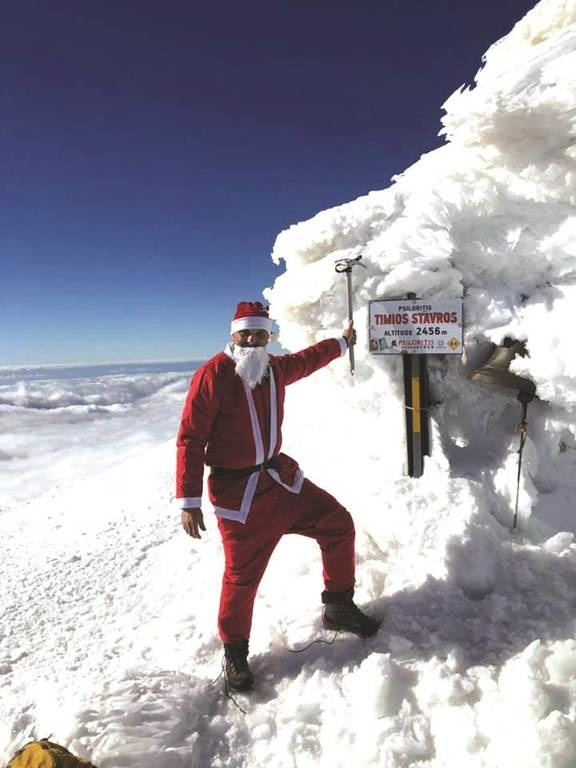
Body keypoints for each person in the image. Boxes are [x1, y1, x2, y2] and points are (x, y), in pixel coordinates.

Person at [176, 301, 379, 692]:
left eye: (260, 334)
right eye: (245, 333)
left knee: (337, 523)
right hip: (241, 497)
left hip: (281, 482)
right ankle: (235, 652)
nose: (252, 340)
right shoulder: (213, 375)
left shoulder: (274, 369)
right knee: (241, 578)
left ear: (269, 337)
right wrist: (189, 500)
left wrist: (342, 342)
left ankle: (338, 605)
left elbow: (308, 359)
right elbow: (191, 438)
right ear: (233, 334)